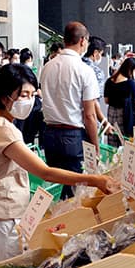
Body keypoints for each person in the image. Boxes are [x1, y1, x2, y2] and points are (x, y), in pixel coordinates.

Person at [0, 63, 118, 268]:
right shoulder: (4, 131)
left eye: (32, 94)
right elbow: (45, 172)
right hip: (2, 218)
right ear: (4, 97)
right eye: (23, 95)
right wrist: (94, 180)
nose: (29, 101)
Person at [40, 21, 101, 199]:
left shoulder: (47, 67)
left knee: (56, 187)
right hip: (72, 137)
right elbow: (89, 115)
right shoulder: (84, 70)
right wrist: (95, 146)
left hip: (49, 134)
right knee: (75, 191)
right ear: (82, 41)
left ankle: (56, 225)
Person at [104, 57, 135, 146]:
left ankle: (113, 158)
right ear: (130, 70)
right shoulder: (130, 83)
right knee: (124, 139)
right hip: (124, 114)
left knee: (113, 136)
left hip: (111, 112)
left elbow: (106, 100)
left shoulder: (109, 81)